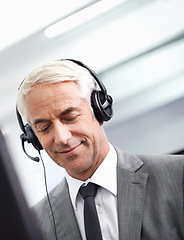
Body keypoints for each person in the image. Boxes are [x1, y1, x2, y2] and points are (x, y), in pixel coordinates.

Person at [16, 59, 184, 240]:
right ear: (33, 138)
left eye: (70, 117)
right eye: (44, 128)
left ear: (100, 109)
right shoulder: (33, 225)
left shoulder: (177, 175)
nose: (62, 138)